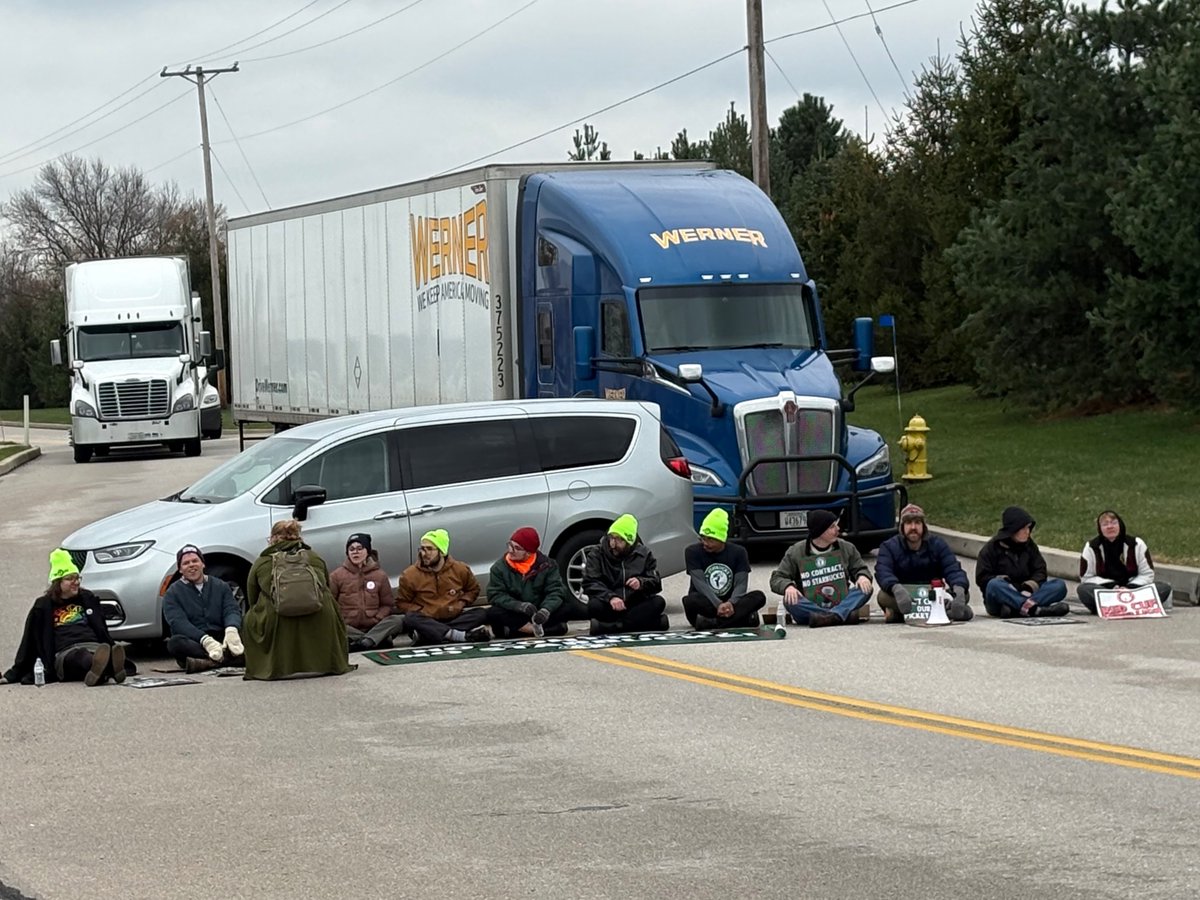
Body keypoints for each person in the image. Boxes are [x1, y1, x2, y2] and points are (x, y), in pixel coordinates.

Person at [1, 549, 134, 686]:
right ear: (57, 582)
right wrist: (11, 675)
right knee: (82, 656)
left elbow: (101, 628)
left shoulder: (87, 599)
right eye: (70, 579)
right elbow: (29, 640)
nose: (76, 582)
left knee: (96, 653)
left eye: (77, 578)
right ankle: (107, 668)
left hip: (94, 646)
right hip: (65, 652)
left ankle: (101, 670)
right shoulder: (44, 606)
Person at [241, 519, 352, 680]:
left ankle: (270, 666)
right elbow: (326, 587)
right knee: (329, 604)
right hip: (320, 615)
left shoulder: (262, 561)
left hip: (276, 618)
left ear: (272, 538)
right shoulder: (314, 557)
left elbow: (252, 596)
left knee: (251, 618)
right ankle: (329, 662)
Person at [769, 510, 872, 628]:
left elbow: (860, 568)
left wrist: (862, 576)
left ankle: (829, 616)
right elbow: (777, 578)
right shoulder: (796, 551)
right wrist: (788, 586)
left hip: (840, 601)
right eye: (832, 526)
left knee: (866, 589)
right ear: (820, 531)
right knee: (789, 601)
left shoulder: (846, 547)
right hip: (810, 604)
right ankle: (840, 615)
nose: (838, 529)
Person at [875, 504, 973, 623]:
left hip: (933, 595)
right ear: (902, 527)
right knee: (883, 596)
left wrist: (959, 587)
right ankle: (947, 613)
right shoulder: (889, 546)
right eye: (908, 523)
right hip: (905, 596)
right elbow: (883, 571)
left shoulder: (937, 544)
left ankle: (900, 615)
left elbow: (953, 569)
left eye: (917, 523)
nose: (913, 527)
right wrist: (896, 588)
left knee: (963, 595)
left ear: (923, 526)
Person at [397, 529, 490, 645]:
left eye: (430, 549)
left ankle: (432, 635)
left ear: (442, 552)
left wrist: (461, 603)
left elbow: (473, 590)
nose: (424, 553)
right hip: (427, 619)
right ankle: (459, 635)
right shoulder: (410, 574)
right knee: (411, 618)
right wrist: (421, 610)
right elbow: (402, 602)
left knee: (482, 613)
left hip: (454, 616)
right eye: (422, 549)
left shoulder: (460, 569)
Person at [163, 544, 245, 673]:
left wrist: (231, 630)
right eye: (186, 563)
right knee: (175, 643)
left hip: (221, 637)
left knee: (250, 634)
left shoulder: (221, 586)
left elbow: (231, 609)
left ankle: (208, 662)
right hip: (196, 641)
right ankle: (230, 659)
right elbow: (178, 623)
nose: (191, 565)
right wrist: (206, 641)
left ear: (203, 564)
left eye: (195, 561)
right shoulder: (172, 593)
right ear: (180, 569)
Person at [975, 506, 1069, 618]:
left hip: (1028, 592)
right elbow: (982, 578)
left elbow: (1040, 570)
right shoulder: (991, 548)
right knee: (994, 584)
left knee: (1059, 585)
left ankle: (1019, 608)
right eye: (1023, 529)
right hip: (1002, 597)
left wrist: (1029, 587)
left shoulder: (1030, 546)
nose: (1027, 532)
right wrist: (1008, 584)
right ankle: (1034, 609)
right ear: (1013, 530)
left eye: (1028, 528)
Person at [583, 515, 668, 635]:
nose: (613, 544)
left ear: (630, 542)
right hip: (609, 604)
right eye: (612, 538)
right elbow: (590, 582)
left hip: (634, 604)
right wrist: (611, 597)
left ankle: (614, 626)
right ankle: (648, 624)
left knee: (658, 602)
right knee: (594, 606)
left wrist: (641, 583)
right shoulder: (597, 554)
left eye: (619, 540)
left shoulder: (644, 554)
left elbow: (656, 583)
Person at [681, 508, 765, 629]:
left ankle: (712, 623)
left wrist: (730, 603)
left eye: (710, 539)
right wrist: (718, 604)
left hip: (732, 604)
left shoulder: (739, 552)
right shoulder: (692, 552)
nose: (705, 543)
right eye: (703, 538)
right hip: (708, 603)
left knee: (759, 596)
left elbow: (741, 584)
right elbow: (699, 583)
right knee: (690, 600)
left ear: (722, 539)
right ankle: (742, 620)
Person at [1077, 510, 1173, 614]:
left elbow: (1147, 574)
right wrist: (1113, 587)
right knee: (1083, 590)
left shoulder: (1136, 544)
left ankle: (1118, 606)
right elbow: (1086, 578)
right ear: (1100, 528)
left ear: (1120, 525)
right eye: (1105, 524)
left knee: (1163, 588)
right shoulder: (1091, 547)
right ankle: (1117, 605)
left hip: (1133, 590)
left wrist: (1128, 588)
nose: (1110, 527)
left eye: (1114, 523)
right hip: (1107, 592)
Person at [487, 527, 572, 638]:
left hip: (538, 612)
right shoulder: (498, 568)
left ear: (528, 552)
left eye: (517, 548)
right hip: (516, 614)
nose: (511, 551)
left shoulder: (548, 565)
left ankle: (516, 632)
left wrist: (546, 610)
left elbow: (556, 591)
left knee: (568, 608)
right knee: (492, 613)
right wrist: (519, 606)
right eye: (510, 545)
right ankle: (537, 630)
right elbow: (495, 595)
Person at [329, 532, 407, 651]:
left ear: (367, 551)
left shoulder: (380, 575)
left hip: (374, 626)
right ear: (347, 553)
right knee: (330, 625)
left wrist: (378, 618)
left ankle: (364, 642)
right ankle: (372, 640)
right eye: (352, 549)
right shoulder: (336, 576)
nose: (355, 552)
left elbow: (387, 604)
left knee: (398, 620)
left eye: (360, 548)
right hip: (348, 628)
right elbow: (330, 604)